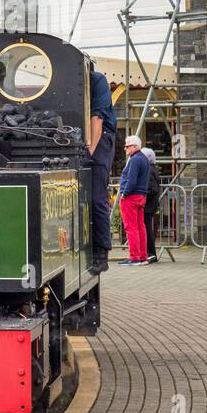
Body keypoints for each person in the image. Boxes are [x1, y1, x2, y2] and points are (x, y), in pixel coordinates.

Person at [86, 61, 117, 272]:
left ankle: (101, 252)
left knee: (97, 196)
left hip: (101, 138)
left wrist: (89, 151)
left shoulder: (98, 80)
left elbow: (97, 119)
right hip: (85, 138)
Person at [117, 134, 151, 265]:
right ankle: (143, 256)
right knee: (140, 226)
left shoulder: (135, 159)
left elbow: (131, 180)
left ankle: (134, 257)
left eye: (127, 146)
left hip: (131, 197)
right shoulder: (144, 159)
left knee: (131, 227)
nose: (125, 149)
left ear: (135, 146)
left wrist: (124, 193)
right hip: (141, 196)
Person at [142, 146, 160, 263]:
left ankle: (150, 253)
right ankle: (149, 252)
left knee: (147, 229)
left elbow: (152, 189)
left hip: (148, 205)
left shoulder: (148, 170)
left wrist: (142, 196)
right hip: (149, 205)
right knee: (147, 228)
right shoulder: (151, 169)